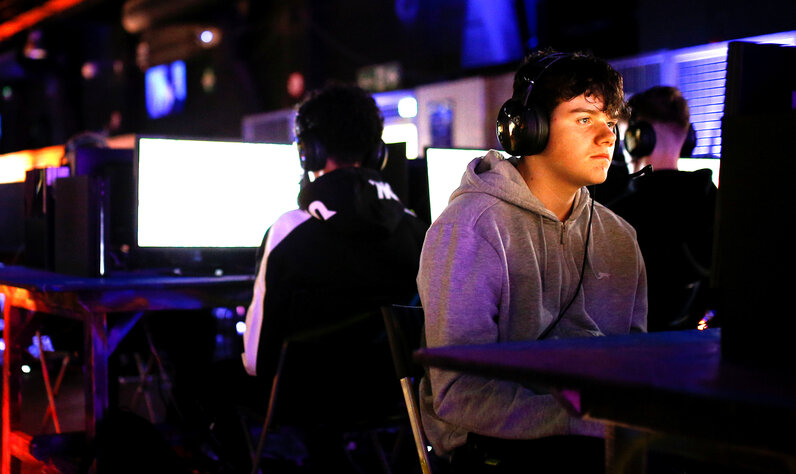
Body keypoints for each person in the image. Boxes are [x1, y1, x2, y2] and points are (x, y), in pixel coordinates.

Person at [417, 50, 647, 473]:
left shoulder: (620, 238)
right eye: (584, 119)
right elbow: (459, 393)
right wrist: (579, 420)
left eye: (611, 123)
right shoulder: (471, 228)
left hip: (594, 440)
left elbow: (631, 364)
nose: (607, 138)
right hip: (494, 449)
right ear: (528, 128)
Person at [239, 83, 428, 471]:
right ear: (377, 153)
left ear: (308, 152)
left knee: (199, 382)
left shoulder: (289, 231)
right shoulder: (418, 231)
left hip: (303, 401)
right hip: (395, 398)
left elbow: (257, 361)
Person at [611, 86, 717, 332]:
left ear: (637, 140)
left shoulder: (617, 215)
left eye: (625, 139)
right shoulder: (718, 203)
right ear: (688, 139)